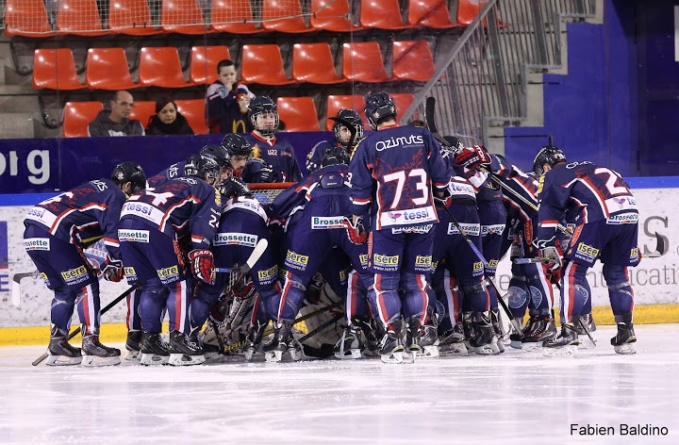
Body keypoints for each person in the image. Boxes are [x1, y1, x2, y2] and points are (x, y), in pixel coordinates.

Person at [348, 91, 453, 364]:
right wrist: (439, 197)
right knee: (417, 280)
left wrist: (359, 216)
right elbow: (442, 179)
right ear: (394, 111)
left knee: (385, 284)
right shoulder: (422, 136)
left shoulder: (367, 145)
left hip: (389, 223)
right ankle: (416, 335)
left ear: (371, 117)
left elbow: (359, 196)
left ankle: (393, 335)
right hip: (424, 220)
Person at [23, 161, 146, 367]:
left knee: (64, 290)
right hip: (55, 232)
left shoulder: (99, 188)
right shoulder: (116, 196)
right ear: (126, 185)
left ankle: (58, 344)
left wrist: (109, 261)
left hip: (33, 231)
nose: (133, 197)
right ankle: (91, 343)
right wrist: (118, 261)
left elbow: (87, 233)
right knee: (86, 285)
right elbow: (113, 236)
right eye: (135, 190)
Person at [532, 146, 640, 354]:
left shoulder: (554, 174)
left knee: (572, 272)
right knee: (617, 273)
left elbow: (549, 211)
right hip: (629, 213)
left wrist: (545, 244)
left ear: (546, 166)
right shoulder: (591, 167)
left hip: (600, 215)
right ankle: (626, 333)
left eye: (540, 172)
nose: (540, 178)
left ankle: (569, 333)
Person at [118, 154, 221, 366]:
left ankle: (150, 342)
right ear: (208, 175)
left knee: (151, 285)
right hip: (155, 222)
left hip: (127, 215)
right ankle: (179, 340)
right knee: (179, 285)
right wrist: (201, 249)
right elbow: (205, 223)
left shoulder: (169, 182)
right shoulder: (207, 189)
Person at [242, 96, 303, 183]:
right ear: (253, 119)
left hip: (283, 195)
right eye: (264, 117)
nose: (269, 121)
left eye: (271, 116)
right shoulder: (245, 144)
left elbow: (296, 180)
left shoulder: (285, 146)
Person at [306, 109, 364, 174]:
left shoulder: (366, 149)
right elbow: (310, 177)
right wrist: (324, 168)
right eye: (344, 130)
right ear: (337, 131)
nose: (349, 134)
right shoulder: (322, 148)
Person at [206, 59, 255, 134]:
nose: (229, 77)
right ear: (219, 76)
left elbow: (254, 104)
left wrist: (247, 104)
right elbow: (212, 110)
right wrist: (225, 93)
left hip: (242, 129)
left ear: (236, 74)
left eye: (232, 74)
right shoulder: (214, 88)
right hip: (221, 131)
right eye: (225, 75)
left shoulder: (242, 88)